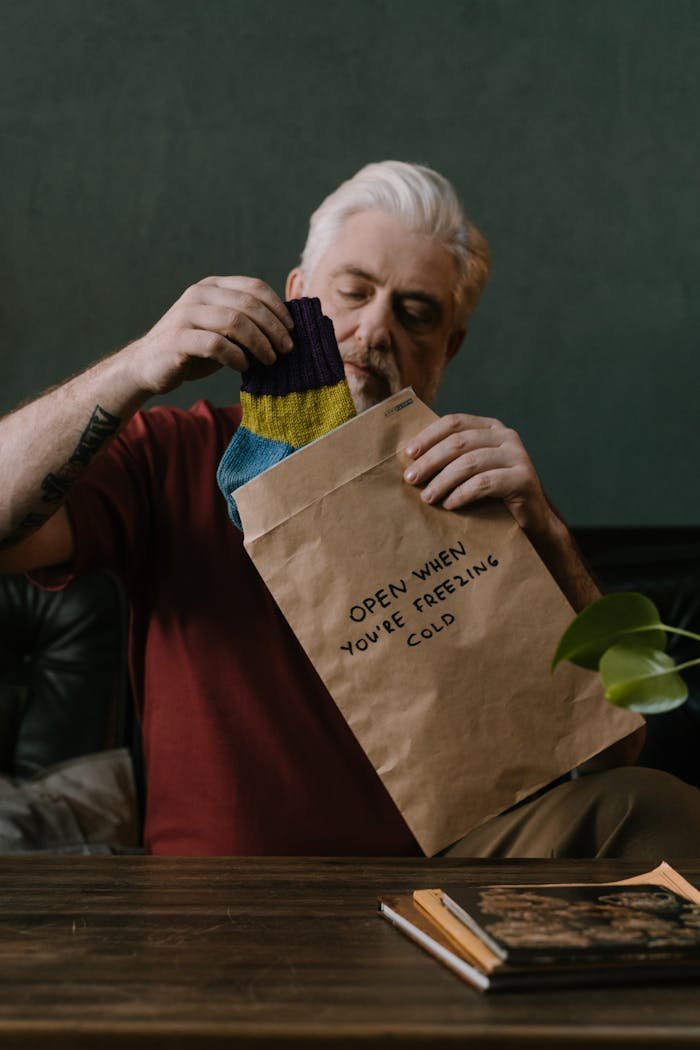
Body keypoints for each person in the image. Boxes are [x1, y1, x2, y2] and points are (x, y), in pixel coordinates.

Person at [0, 161, 698, 857]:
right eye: (354, 291)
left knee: (654, 805)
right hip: (226, 896)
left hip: (445, 873)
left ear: (447, 348)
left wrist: (542, 529)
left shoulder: (473, 486)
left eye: (415, 311)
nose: (374, 328)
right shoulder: (176, 454)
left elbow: (618, 745)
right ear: (298, 295)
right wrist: (136, 367)